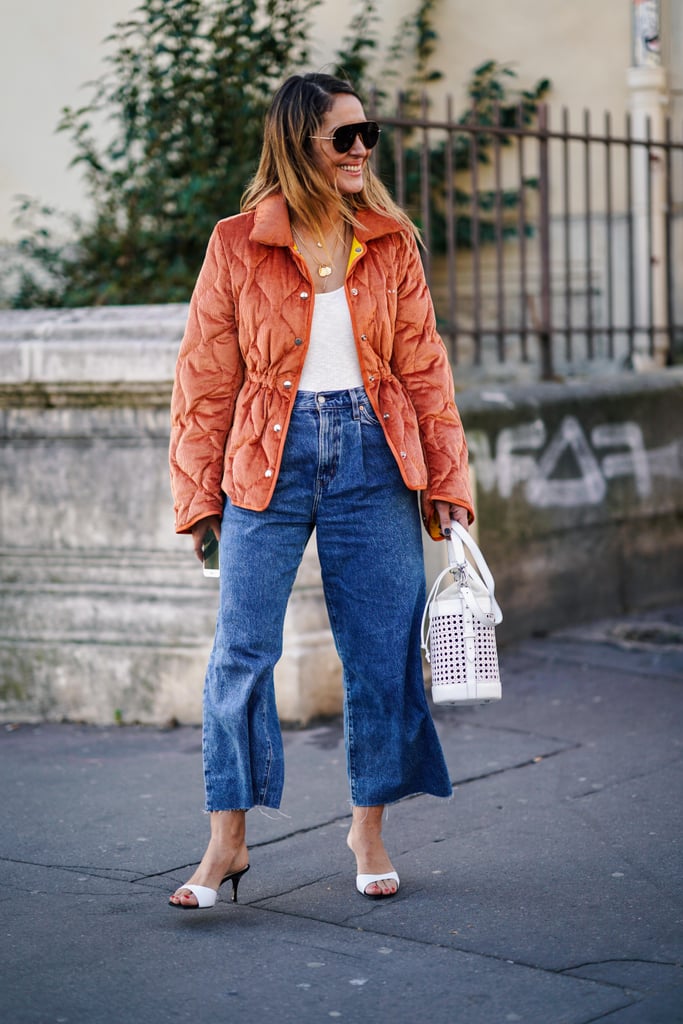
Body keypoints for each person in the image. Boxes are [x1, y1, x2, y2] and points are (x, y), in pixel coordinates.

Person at [168, 72, 474, 909]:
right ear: (298, 142)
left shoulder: (389, 241)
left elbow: (423, 368)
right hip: (266, 456)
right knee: (241, 654)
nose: (363, 148)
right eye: (346, 135)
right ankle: (225, 842)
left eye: (368, 134)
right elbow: (204, 377)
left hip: (377, 458)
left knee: (380, 655)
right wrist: (198, 497)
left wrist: (446, 479)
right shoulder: (238, 242)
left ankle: (366, 828)